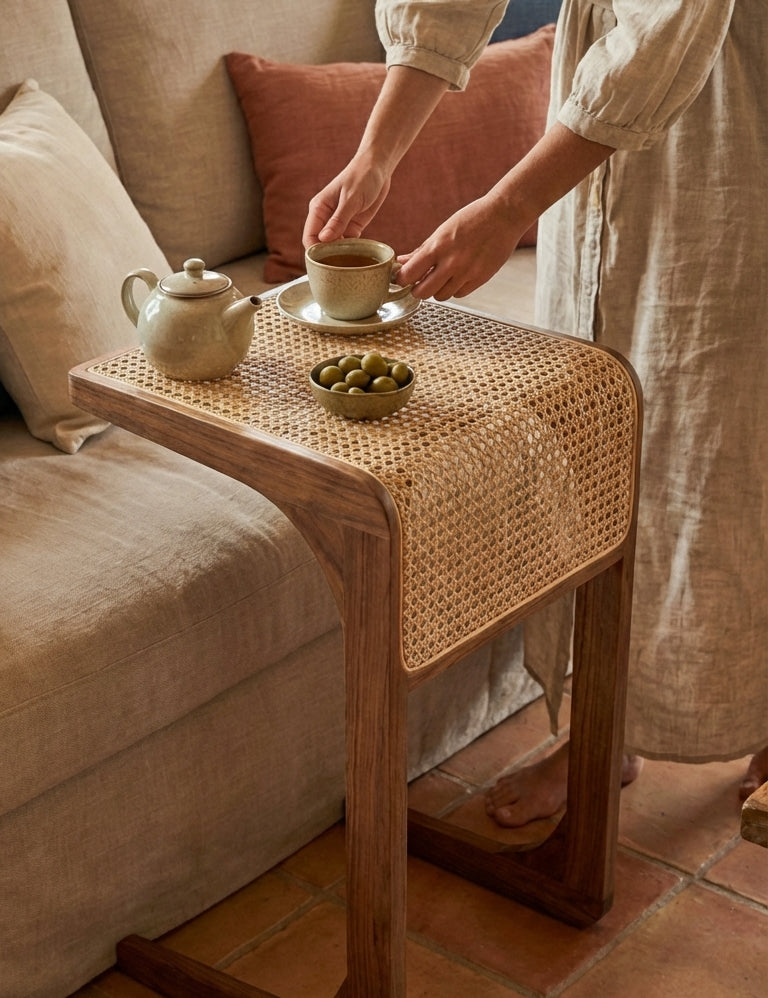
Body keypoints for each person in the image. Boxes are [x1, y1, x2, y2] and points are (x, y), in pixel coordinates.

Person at [303, 0, 768, 826]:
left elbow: (669, 29)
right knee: (592, 438)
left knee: (729, 448)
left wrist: (512, 206)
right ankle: (603, 726)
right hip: (595, 144)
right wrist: (377, 154)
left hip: (738, 132)